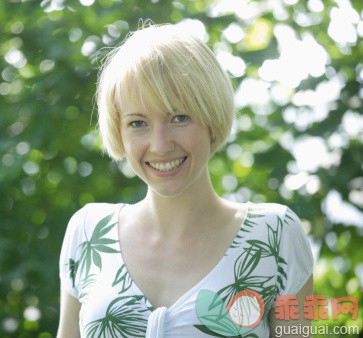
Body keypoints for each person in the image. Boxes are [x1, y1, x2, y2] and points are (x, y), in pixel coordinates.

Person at [57, 22, 314, 337]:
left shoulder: (276, 235)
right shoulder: (87, 232)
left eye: (179, 117)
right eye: (138, 123)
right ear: (119, 133)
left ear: (211, 118)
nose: (160, 144)